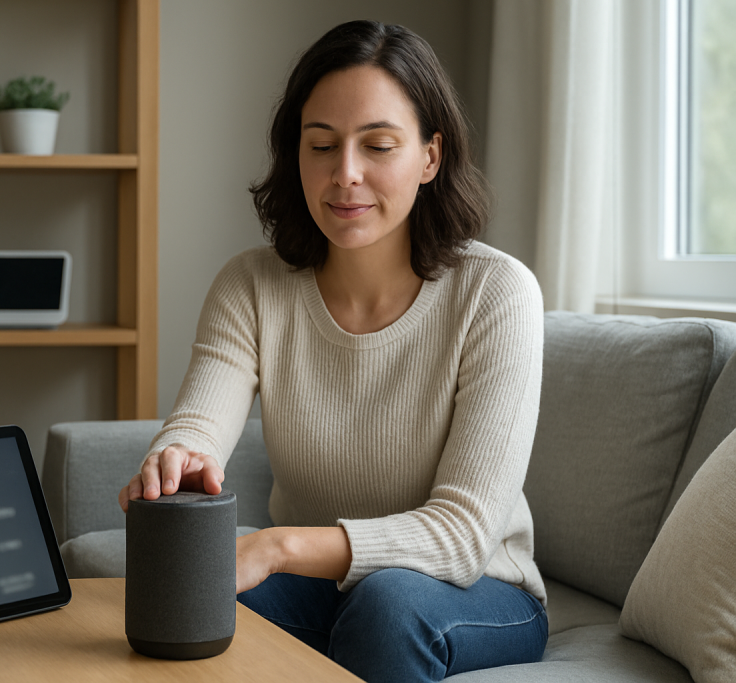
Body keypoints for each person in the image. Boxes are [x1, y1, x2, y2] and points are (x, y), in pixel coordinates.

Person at [118, 19, 547, 683]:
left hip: (477, 589)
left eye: (378, 145)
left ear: (430, 156)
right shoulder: (251, 285)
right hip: (325, 584)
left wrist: (279, 545)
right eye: (321, 145)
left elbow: (463, 533)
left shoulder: (497, 294)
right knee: (187, 594)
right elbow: (200, 424)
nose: (345, 174)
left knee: (387, 602)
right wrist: (174, 462)